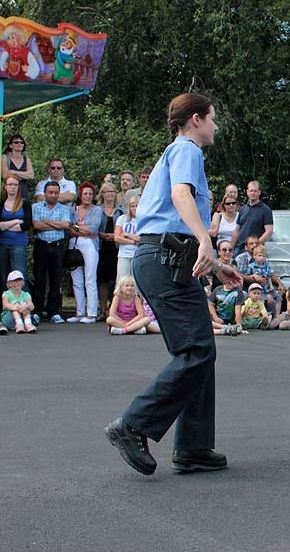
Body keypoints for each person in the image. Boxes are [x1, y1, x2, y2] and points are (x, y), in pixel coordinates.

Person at [106, 91, 238, 476]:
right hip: (165, 259)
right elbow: (180, 197)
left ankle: (194, 447)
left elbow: (175, 215)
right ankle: (132, 425)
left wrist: (214, 267)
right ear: (196, 119)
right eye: (212, 118)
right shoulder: (187, 150)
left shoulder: (179, 152)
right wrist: (206, 240)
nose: (215, 126)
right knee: (196, 350)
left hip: (166, 258)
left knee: (201, 350)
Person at [32, 181, 70, 324]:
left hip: (58, 246)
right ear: (45, 193)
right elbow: (36, 225)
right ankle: (37, 311)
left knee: (55, 280)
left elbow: (65, 225)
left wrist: (46, 222)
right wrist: (55, 224)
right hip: (41, 245)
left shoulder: (64, 209)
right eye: (50, 192)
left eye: (56, 192)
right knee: (40, 279)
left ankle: (53, 311)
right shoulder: (35, 207)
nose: (53, 195)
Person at [67, 181, 103, 323]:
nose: (87, 196)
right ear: (80, 195)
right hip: (74, 244)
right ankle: (79, 312)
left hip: (90, 245)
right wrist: (81, 229)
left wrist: (76, 228)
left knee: (90, 278)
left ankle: (91, 313)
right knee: (76, 279)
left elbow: (93, 229)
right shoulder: (72, 210)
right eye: (85, 194)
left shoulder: (97, 210)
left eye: (90, 194)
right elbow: (68, 229)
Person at [0, 175, 33, 290]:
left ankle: (23, 306)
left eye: (15, 185)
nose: (12, 187)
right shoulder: (0, 205)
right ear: (5, 186)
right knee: (4, 277)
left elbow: (26, 225)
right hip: (1, 244)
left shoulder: (25, 204)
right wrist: (15, 221)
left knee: (19, 276)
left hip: (19, 244)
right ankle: (6, 305)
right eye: (10, 184)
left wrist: (5, 225)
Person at [96, 181, 122, 314]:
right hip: (101, 246)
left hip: (116, 247)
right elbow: (93, 227)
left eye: (112, 191)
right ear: (102, 194)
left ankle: (114, 308)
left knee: (116, 278)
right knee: (101, 279)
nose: (110, 194)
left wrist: (116, 235)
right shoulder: (97, 210)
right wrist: (101, 234)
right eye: (107, 191)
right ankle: (102, 309)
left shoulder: (121, 210)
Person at [229, 180, 273, 256]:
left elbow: (269, 231)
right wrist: (230, 248)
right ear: (247, 192)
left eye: (255, 191)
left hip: (255, 250)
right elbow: (236, 230)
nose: (253, 193)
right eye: (251, 190)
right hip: (239, 248)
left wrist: (255, 245)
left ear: (259, 192)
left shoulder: (266, 210)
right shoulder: (243, 209)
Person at [114, 195, 140, 283]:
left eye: (137, 206)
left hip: (137, 255)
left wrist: (127, 234)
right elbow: (117, 237)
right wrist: (133, 242)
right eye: (132, 206)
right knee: (122, 281)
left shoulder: (143, 220)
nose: (134, 208)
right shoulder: (122, 219)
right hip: (123, 254)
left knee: (136, 282)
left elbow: (141, 238)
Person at [3, 134, 35, 199]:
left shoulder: (27, 159)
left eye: (21, 142)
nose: (19, 144)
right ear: (10, 145)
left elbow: (31, 176)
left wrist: (14, 172)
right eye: (16, 142)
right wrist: (24, 175)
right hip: (9, 194)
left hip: (23, 193)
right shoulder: (5, 157)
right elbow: (5, 175)